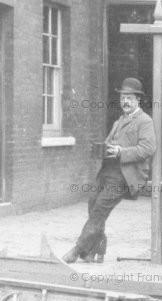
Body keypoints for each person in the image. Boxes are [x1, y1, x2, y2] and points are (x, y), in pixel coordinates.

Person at [63, 77, 157, 263]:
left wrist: (122, 152)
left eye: (129, 98)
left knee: (99, 210)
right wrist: (100, 148)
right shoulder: (119, 121)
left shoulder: (144, 121)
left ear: (138, 100)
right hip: (108, 171)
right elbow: (109, 144)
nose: (125, 102)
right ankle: (96, 250)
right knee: (93, 204)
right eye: (123, 97)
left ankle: (77, 250)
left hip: (125, 175)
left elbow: (148, 148)